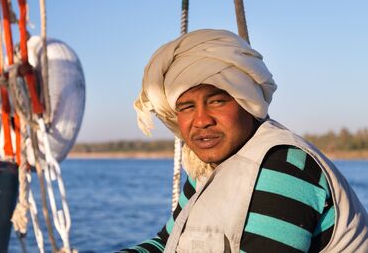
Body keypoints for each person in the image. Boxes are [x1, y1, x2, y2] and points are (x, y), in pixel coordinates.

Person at [119, 29, 368, 252]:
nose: (201, 120)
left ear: (246, 103)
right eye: (186, 107)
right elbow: (167, 243)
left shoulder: (282, 165)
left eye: (216, 101)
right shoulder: (205, 168)